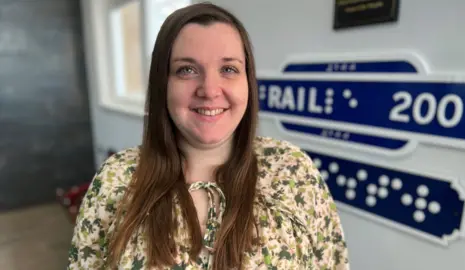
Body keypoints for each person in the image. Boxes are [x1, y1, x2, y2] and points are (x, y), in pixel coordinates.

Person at [67, 2, 349, 269]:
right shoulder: (117, 178)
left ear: (247, 82)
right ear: (162, 84)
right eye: (186, 70)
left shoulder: (293, 171)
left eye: (228, 69)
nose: (210, 90)